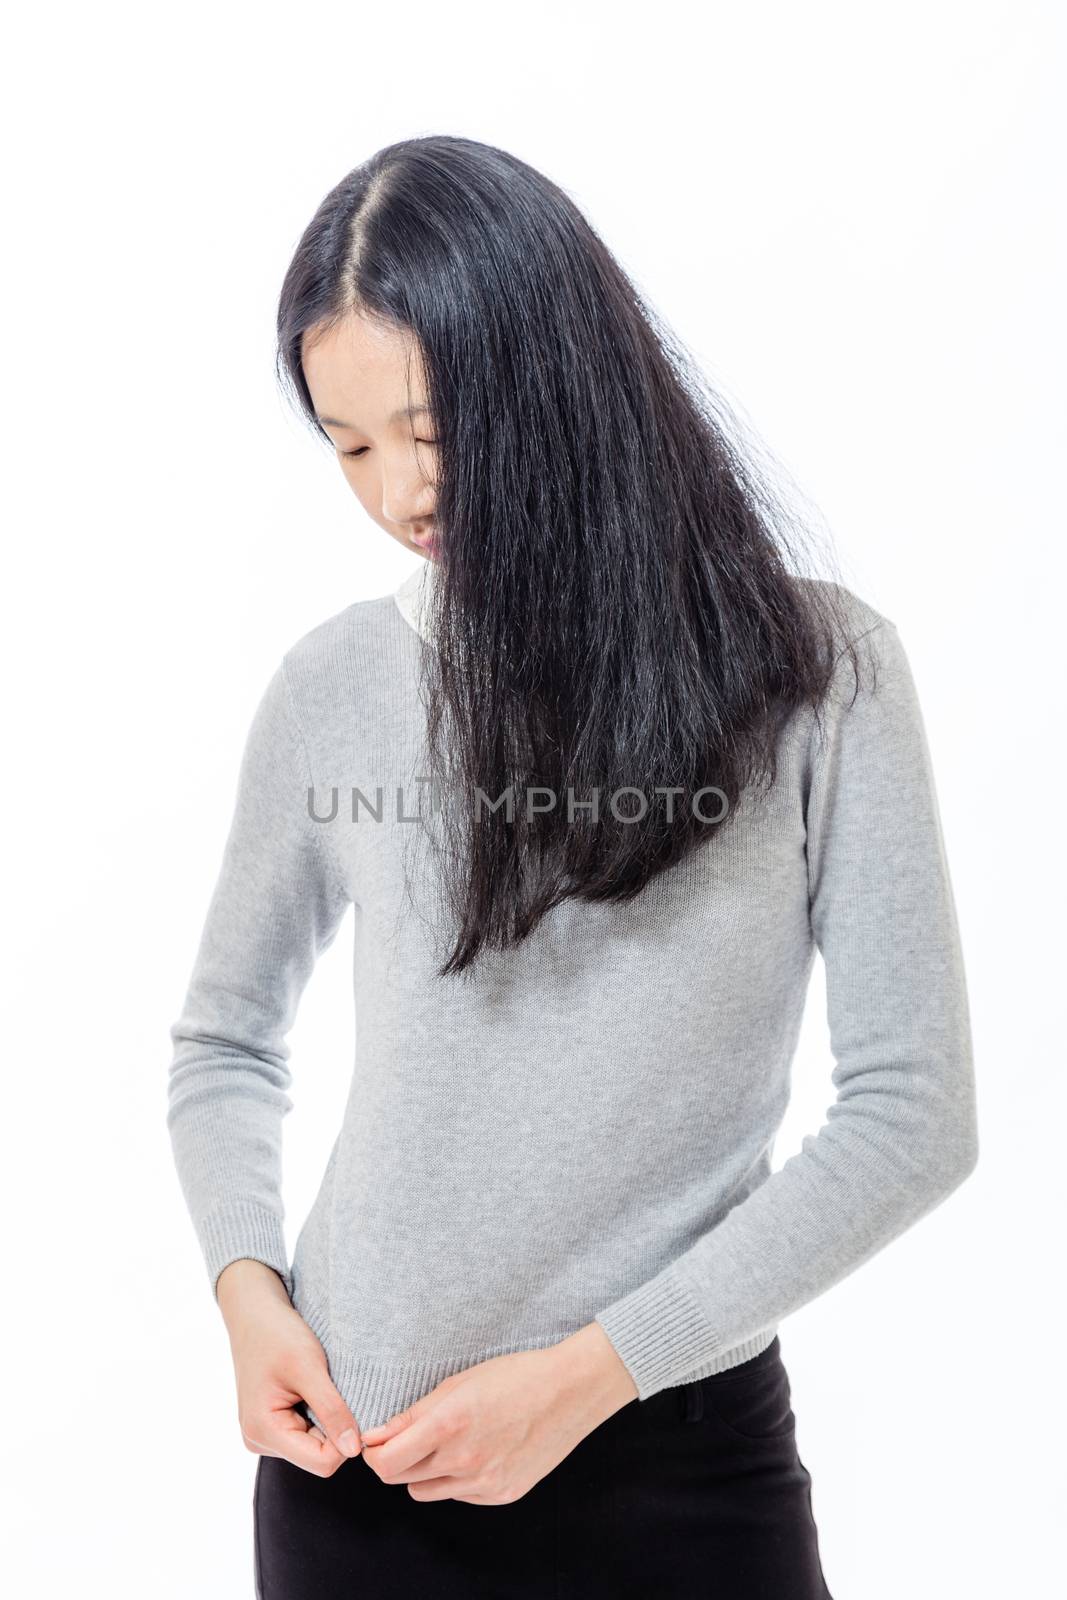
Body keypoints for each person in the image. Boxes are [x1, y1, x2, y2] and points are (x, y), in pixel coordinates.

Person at [166, 135, 979, 1600]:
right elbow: (225, 1039)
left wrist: (592, 1376)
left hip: (677, 1478)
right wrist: (248, 1294)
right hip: (358, 1481)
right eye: (348, 445)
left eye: (427, 425)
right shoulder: (334, 687)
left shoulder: (823, 673)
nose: (398, 490)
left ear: (552, 377)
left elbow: (915, 1115)